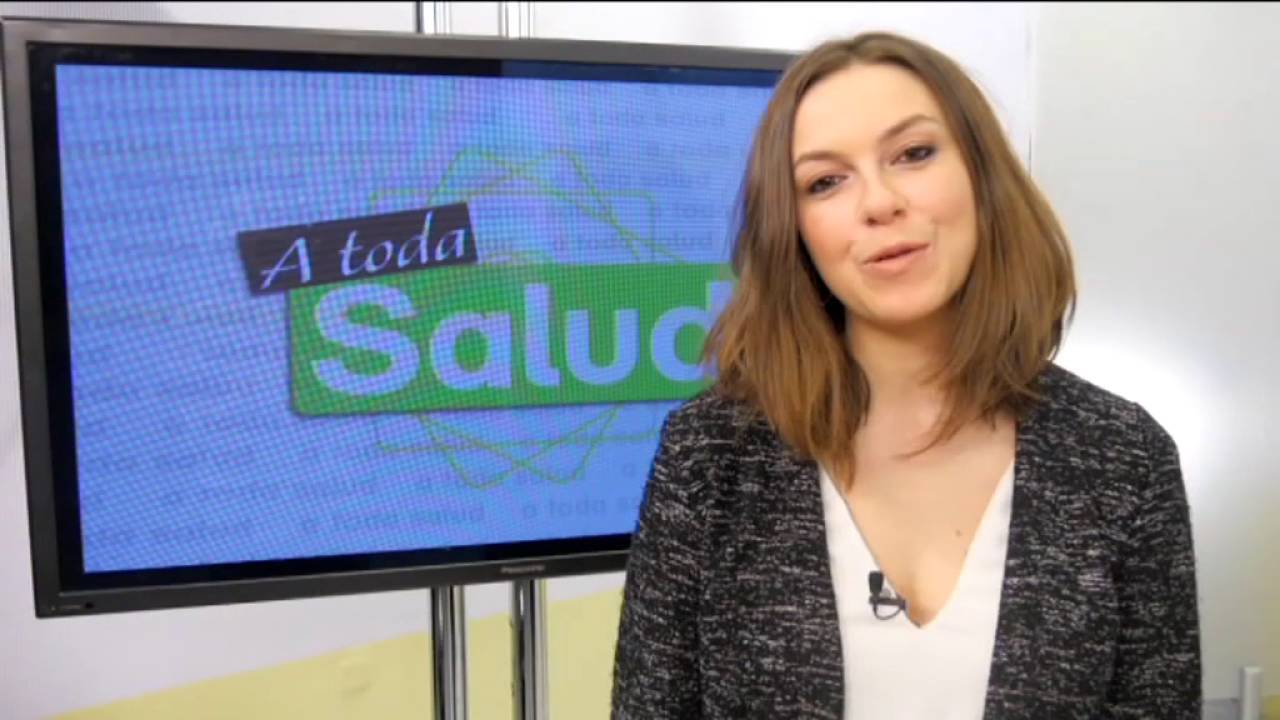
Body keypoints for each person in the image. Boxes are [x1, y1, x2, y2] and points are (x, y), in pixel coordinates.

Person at [610, 31, 1201, 720]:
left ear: (981, 174)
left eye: (914, 154)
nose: (879, 202)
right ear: (794, 230)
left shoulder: (1124, 457)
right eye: (826, 181)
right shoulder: (708, 457)